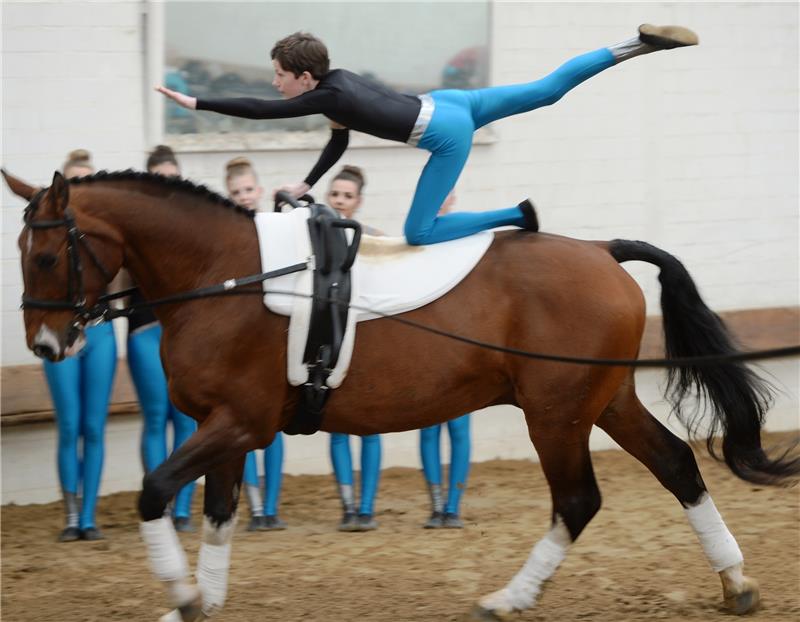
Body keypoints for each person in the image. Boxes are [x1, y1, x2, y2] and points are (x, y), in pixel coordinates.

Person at [157, 25, 698, 245]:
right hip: (450, 102)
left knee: (418, 233)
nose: (273, 83)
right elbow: (339, 141)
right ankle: (636, 44)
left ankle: (516, 217)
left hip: (446, 133)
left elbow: (257, 111)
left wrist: (197, 100)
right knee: (548, 88)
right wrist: (306, 183)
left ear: (303, 77)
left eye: (279, 74)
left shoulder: (328, 95)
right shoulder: (337, 86)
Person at [123, 145, 198, 532]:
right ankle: (159, 508)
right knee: (156, 418)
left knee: (186, 419)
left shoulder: (194, 225)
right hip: (146, 332)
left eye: (174, 178)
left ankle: (182, 508)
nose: (168, 186)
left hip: (186, 336)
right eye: (160, 179)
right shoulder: (136, 229)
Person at [45, 149, 117, 542]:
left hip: (101, 331)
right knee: (69, 424)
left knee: (94, 426)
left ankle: (89, 517)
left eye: (87, 181)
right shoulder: (53, 235)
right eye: (74, 182)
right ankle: (71, 516)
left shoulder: (106, 231)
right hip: (62, 333)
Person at [223, 157, 287, 531]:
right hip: (241, 347)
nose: (244, 196)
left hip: (273, 340)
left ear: (259, 191)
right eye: (236, 192)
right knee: (240, 428)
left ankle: (271, 509)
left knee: (272, 424)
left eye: (248, 190)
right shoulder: (227, 238)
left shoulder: (274, 228)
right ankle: (254, 505)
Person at [323, 165, 383, 531]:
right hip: (328, 342)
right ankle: (347, 505)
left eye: (347, 196)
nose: (340, 201)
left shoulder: (374, 238)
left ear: (357, 202)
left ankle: (367, 507)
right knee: (336, 425)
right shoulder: (315, 236)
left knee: (371, 425)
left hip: (365, 343)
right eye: (335, 194)